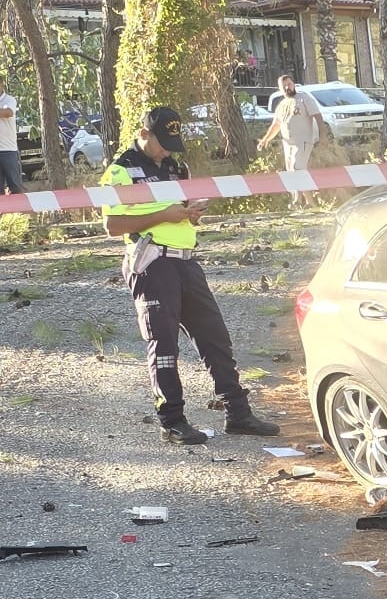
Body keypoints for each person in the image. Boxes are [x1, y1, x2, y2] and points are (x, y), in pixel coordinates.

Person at [101, 106, 280, 446]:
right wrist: (163, 215)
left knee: (215, 337)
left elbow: (178, 211)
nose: (168, 150)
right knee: (164, 344)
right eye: (163, 142)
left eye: (173, 142)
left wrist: (189, 214)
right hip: (152, 261)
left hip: (186, 259)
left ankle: (238, 413)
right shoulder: (121, 171)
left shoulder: (175, 166)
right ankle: (172, 420)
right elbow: (112, 225)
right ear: (144, 134)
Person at [258, 72, 328, 173]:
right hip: (288, 143)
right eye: (284, 86)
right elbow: (276, 125)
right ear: (280, 89)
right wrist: (265, 140)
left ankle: (303, 189)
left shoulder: (303, 98)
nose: (287, 87)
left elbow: (317, 116)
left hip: (302, 142)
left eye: (289, 84)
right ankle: (301, 189)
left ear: (294, 84)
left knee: (297, 169)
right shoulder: (282, 105)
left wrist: (323, 135)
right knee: (290, 171)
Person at [0, 79, 24, 195]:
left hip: (8, 150)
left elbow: (8, 113)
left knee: (15, 186)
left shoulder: (9, 100)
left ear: (1, 85)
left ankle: (20, 211)